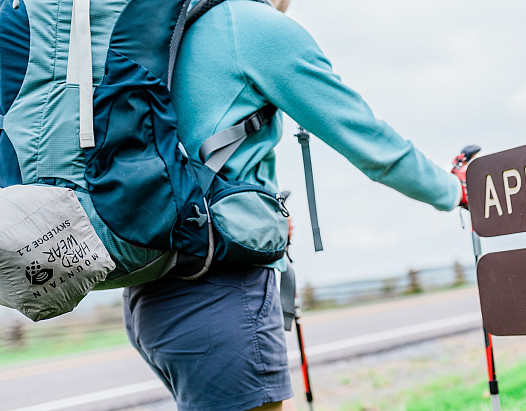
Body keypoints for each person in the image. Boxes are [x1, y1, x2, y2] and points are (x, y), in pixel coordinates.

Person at [122, 1, 471, 410]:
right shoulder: (251, 25)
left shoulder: (168, 25)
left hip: (152, 294)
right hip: (218, 293)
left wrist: (257, 217)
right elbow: (371, 143)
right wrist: (454, 190)